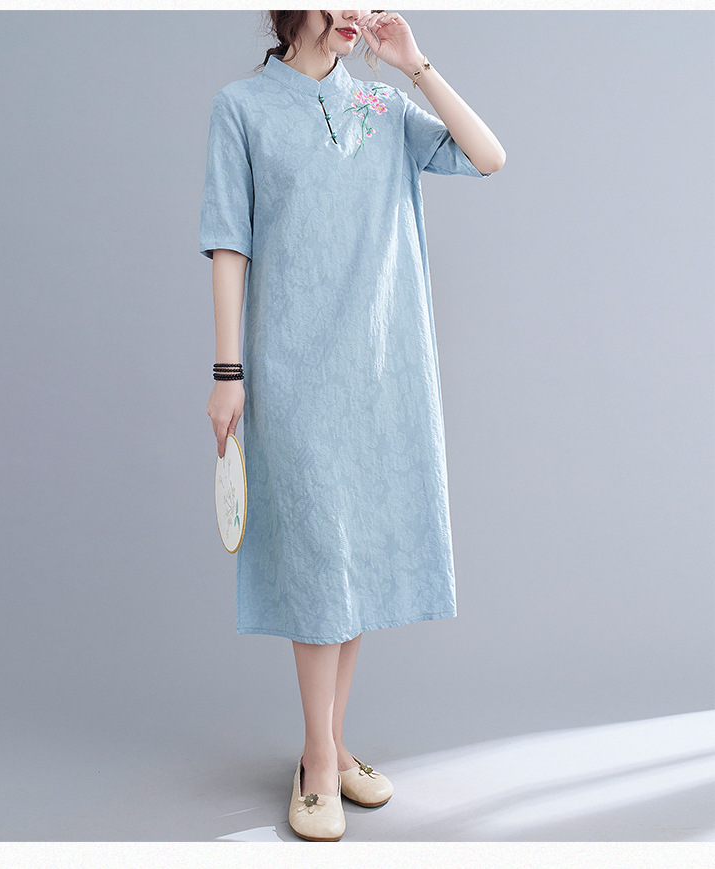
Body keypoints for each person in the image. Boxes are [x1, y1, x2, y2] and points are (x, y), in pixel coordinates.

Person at [200, 9, 505, 842]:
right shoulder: (242, 108)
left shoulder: (382, 107)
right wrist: (227, 372)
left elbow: (488, 156)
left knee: (355, 561)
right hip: (293, 373)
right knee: (318, 567)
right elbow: (229, 241)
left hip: (380, 374)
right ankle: (316, 760)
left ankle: (332, 746)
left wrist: (415, 64)